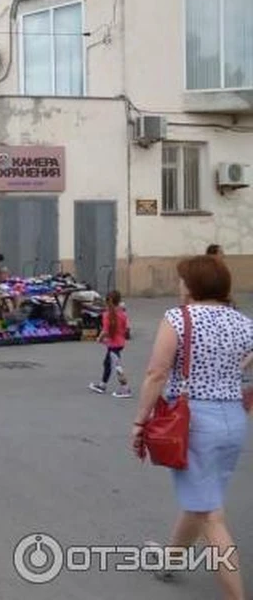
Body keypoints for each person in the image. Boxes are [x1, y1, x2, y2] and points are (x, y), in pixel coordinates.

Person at [131, 255, 253, 598]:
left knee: (210, 516)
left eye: (182, 279)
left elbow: (157, 372)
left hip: (194, 423)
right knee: (203, 501)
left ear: (194, 285)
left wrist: (140, 420)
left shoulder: (179, 318)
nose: (179, 284)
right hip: (233, 421)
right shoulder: (243, 322)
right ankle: (169, 561)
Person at [88, 290, 130, 397]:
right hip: (119, 343)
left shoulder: (107, 315)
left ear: (107, 301)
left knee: (117, 366)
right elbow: (126, 329)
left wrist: (100, 338)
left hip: (113, 344)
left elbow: (105, 331)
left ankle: (125, 389)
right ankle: (102, 385)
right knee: (107, 363)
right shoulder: (122, 314)